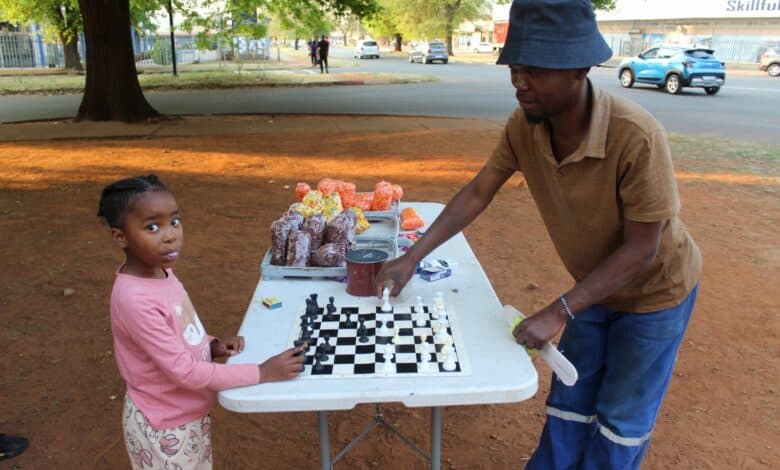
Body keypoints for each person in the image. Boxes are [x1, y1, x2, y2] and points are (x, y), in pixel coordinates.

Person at [374, 1, 701, 468]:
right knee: (571, 399)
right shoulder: (524, 127)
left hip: (655, 295)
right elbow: (477, 193)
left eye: (536, 69)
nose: (519, 81)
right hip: (594, 286)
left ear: (579, 69)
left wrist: (561, 309)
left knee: (620, 420)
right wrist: (412, 257)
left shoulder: (636, 137)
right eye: (516, 66)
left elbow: (642, 250)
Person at [98, 175, 304, 469]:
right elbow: (184, 372)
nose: (170, 235)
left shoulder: (161, 272)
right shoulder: (134, 299)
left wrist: (212, 346)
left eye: (175, 221)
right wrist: (261, 372)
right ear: (121, 237)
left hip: (185, 413)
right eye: (152, 227)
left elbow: (181, 330)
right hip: (165, 426)